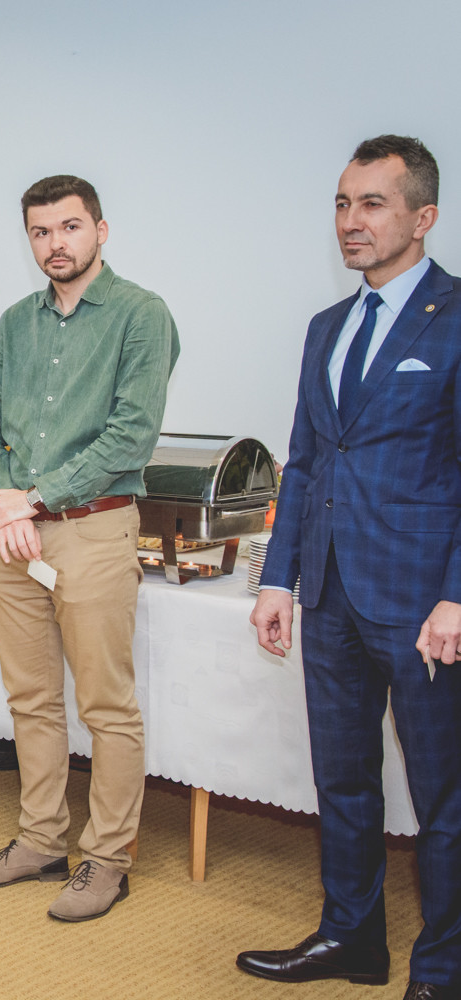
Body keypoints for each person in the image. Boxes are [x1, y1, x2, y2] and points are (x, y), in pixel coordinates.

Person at [239, 136, 461, 1000]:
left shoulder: (454, 316)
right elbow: (305, 462)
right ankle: (351, 938)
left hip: (423, 604)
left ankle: (442, 971)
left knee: (444, 800)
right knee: (342, 780)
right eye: (342, 203)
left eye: (372, 203)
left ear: (423, 216)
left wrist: (456, 596)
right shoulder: (327, 328)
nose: (350, 221)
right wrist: (278, 579)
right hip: (329, 595)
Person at [0, 174, 178, 922]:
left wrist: (35, 498)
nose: (56, 243)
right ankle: (40, 840)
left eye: (70, 227)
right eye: (41, 231)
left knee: (107, 706)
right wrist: (5, 501)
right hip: (12, 534)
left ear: (100, 231)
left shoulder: (141, 315)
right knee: (31, 699)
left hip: (93, 529)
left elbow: (130, 437)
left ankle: (107, 859)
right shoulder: (14, 324)